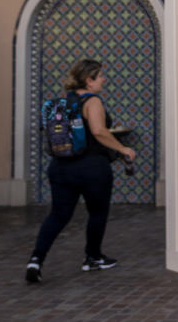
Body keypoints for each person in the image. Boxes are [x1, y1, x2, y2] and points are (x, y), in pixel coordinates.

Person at [26, 58, 135, 283]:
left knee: (58, 215)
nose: (104, 79)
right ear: (89, 80)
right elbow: (98, 131)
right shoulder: (92, 101)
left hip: (60, 167)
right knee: (97, 212)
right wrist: (123, 148)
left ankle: (36, 259)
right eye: (100, 76)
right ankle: (93, 257)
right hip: (91, 167)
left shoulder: (66, 101)